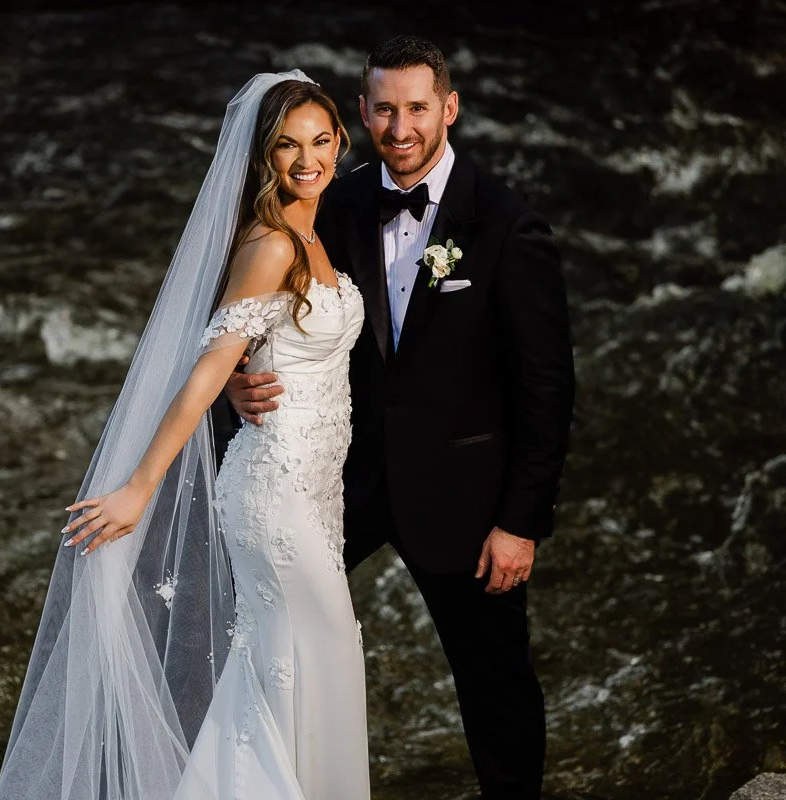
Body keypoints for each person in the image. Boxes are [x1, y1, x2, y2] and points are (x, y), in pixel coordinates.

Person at [0, 71, 371, 799]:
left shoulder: (307, 231)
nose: (307, 160)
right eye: (288, 147)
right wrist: (139, 487)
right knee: (317, 661)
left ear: (338, 141)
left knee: (280, 676)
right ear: (263, 157)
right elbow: (205, 373)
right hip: (274, 497)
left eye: (321, 141)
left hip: (319, 497)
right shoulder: (271, 246)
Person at [225, 35, 576, 800]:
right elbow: (246, 303)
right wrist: (234, 385)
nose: (401, 126)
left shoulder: (508, 227)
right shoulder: (333, 200)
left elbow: (547, 390)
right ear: (363, 111)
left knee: (496, 687)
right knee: (252, 628)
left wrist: (521, 521)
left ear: (449, 108)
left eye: (418, 107)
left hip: (466, 501)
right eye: (384, 108)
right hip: (335, 480)